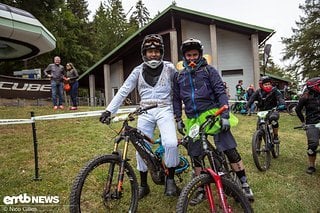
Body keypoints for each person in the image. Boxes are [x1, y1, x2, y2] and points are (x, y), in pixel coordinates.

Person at [173, 38, 254, 202]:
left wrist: (224, 116)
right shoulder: (179, 76)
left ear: (200, 54)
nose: (192, 58)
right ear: (184, 56)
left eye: (195, 54)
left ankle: (244, 183)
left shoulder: (209, 71)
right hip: (193, 119)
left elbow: (220, 93)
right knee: (195, 154)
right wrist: (177, 118)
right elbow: (176, 99)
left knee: (228, 148)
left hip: (213, 113)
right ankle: (200, 186)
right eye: (188, 55)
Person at [99, 34, 180, 198]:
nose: (153, 54)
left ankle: (170, 180)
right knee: (140, 147)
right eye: (150, 51)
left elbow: (181, 86)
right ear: (144, 53)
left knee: (171, 143)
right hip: (144, 111)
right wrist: (109, 110)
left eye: (156, 51)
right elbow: (123, 90)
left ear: (161, 52)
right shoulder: (137, 70)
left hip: (165, 109)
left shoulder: (170, 68)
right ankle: (143, 184)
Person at [244, 76, 286, 143]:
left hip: (273, 110)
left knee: (273, 119)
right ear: (261, 85)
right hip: (262, 112)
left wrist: (282, 104)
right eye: (265, 84)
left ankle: (275, 135)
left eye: (269, 84)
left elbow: (280, 98)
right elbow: (251, 100)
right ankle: (257, 146)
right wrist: (245, 108)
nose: (268, 86)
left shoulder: (275, 90)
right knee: (259, 128)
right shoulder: (258, 92)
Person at [295, 77, 320, 174]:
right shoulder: (305, 97)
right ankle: (311, 165)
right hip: (312, 123)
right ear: (314, 87)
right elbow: (298, 110)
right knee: (312, 145)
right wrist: (303, 121)